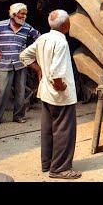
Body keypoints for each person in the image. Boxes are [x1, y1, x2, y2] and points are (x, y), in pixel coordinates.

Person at [20, 9, 81, 179]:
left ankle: (47, 164)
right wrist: (60, 86)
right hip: (59, 96)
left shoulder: (43, 38)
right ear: (66, 26)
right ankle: (60, 169)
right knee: (64, 132)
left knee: (48, 130)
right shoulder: (61, 43)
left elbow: (24, 55)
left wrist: (39, 69)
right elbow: (57, 73)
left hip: (46, 93)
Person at [0, 2, 40, 127]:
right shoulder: (1, 25)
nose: (24, 17)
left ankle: (18, 116)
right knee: (2, 92)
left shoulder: (27, 28)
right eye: (22, 14)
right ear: (14, 14)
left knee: (20, 91)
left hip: (21, 64)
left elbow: (39, 39)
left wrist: (31, 54)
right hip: (5, 64)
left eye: (25, 14)